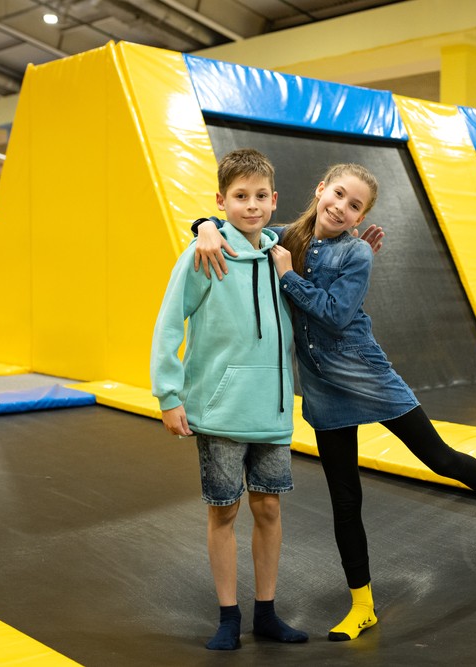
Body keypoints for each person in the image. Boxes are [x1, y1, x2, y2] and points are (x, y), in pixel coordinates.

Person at [194, 163, 476, 643]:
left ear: (361, 217)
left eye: (355, 206)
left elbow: (332, 315)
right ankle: (362, 605)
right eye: (339, 195)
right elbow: (239, 223)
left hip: (367, 374)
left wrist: (288, 276)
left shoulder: (353, 254)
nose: (341, 208)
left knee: (440, 458)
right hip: (324, 391)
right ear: (320, 188)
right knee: (345, 502)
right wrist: (203, 226)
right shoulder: (284, 236)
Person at [150, 148, 307, 650]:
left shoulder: (282, 254)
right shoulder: (205, 252)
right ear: (222, 201)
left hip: (273, 410)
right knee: (224, 512)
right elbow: (169, 323)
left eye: (261, 196)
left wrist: (363, 242)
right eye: (240, 197)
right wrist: (168, 395)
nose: (252, 206)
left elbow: (328, 227)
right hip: (219, 411)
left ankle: (266, 611)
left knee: (269, 511)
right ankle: (226, 616)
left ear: (274, 200)